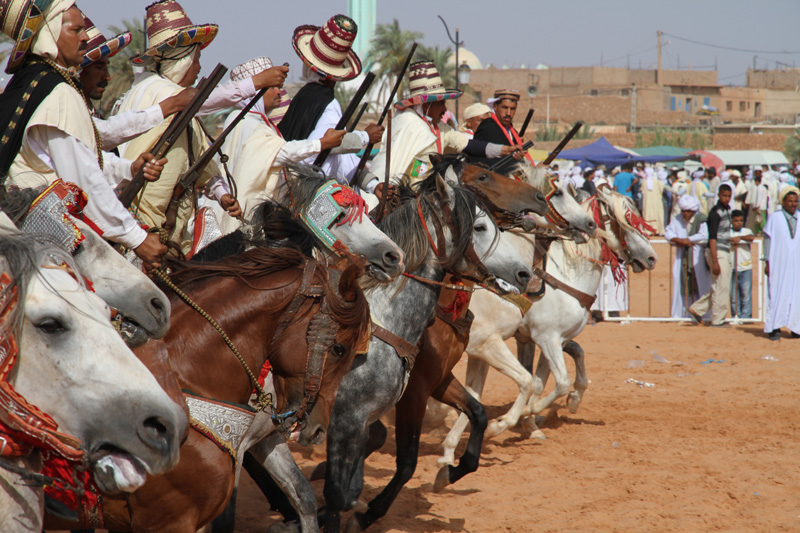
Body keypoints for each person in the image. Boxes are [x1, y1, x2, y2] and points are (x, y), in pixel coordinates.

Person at [0, 0, 168, 267]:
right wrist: (137, 238)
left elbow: (65, 158)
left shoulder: (30, 82)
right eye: (76, 30)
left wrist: (128, 169)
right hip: (43, 243)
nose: (86, 37)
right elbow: (83, 177)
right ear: (51, 32)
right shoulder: (57, 92)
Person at [115, 0, 287, 253]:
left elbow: (199, 160)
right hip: (138, 229)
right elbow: (205, 99)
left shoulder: (181, 109)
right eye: (196, 60)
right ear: (182, 61)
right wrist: (256, 82)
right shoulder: (157, 90)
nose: (199, 68)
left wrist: (221, 194)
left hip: (165, 230)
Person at [215, 56, 345, 234]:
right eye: (273, 87)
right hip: (244, 217)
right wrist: (322, 143)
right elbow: (282, 152)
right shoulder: (248, 123)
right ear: (255, 91)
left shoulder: (258, 122)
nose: (279, 92)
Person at [368, 61, 520, 188]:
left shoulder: (437, 127)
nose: (445, 109)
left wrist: (504, 150)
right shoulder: (413, 125)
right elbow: (417, 176)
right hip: (397, 195)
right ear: (427, 104)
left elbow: (465, 144)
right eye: (441, 104)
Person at [278, 14, 382, 189]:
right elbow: (329, 144)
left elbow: (343, 159)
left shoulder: (302, 96)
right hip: (312, 192)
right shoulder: (328, 104)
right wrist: (366, 136)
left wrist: (372, 184)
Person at [78, 12, 194, 152]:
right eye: (99, 67)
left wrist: (130, 168)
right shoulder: (68, 106)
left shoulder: (90, 112)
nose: (107, 77)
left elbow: (101, 162)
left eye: (106, 66)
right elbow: (103, 133)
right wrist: (170, 105)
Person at [689, 184, 733, 327]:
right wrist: (715, 261)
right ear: (719, 195)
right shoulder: (715, 214)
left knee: (720, 285)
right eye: (724, 196)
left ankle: (697, 309)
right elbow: (712, 238)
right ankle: (718, 319)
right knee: (721, 287)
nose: (726, 199)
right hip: (717, 252)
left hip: (724, 250)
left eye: (728, 196)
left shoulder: (727, 210)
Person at [762, 186, 800, 340]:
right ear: (783, 202)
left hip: (796, 263)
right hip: (779, 261)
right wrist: (766, 260)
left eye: (795, 201)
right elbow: (767, 238)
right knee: (776, 291)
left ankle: (796, 327)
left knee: (796, 293)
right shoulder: (775, 218)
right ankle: (774, 327)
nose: (793, 204)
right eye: (790, 201)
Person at [665, 194, 710, 318]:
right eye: (684, 211)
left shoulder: (701, 219)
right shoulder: (677, 219)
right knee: (683, 284)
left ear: (693, 210)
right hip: (682, 257)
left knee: (700, 284)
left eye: (688, 211)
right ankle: (682, 315)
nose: (685, 214)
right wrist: (677, 240)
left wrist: (688, 240)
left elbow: (705, 235)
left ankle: (704, 315)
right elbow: (668, 231)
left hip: (698, 257)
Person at [472, 88, 532, 171]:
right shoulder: (488, 127)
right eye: (504, 108)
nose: (508, 113)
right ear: (495, 107)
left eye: (512, 109)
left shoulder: (513, 131)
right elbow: (491, 162)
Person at [729, 209, 754, 319]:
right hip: (731, 267)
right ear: (731, 221)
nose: (739, 223)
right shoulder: (728, 231)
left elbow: (751, 237)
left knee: (746, 294)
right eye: (736, 221)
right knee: (733, 296)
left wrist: (739, 238)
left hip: (745, 267)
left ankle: (746, 317)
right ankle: (736, 316)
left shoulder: (746, 230)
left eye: (740, 220)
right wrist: (732, 239)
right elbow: (723, 238)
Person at [641, 166, 667, 235]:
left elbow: (642, 191)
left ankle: (648, 230)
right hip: (657, 203)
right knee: (658, 215)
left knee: (647, 214)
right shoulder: (658, 182)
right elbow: (663, 189)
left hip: (647, 203)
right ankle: (659, 230)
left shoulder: (644, 182)